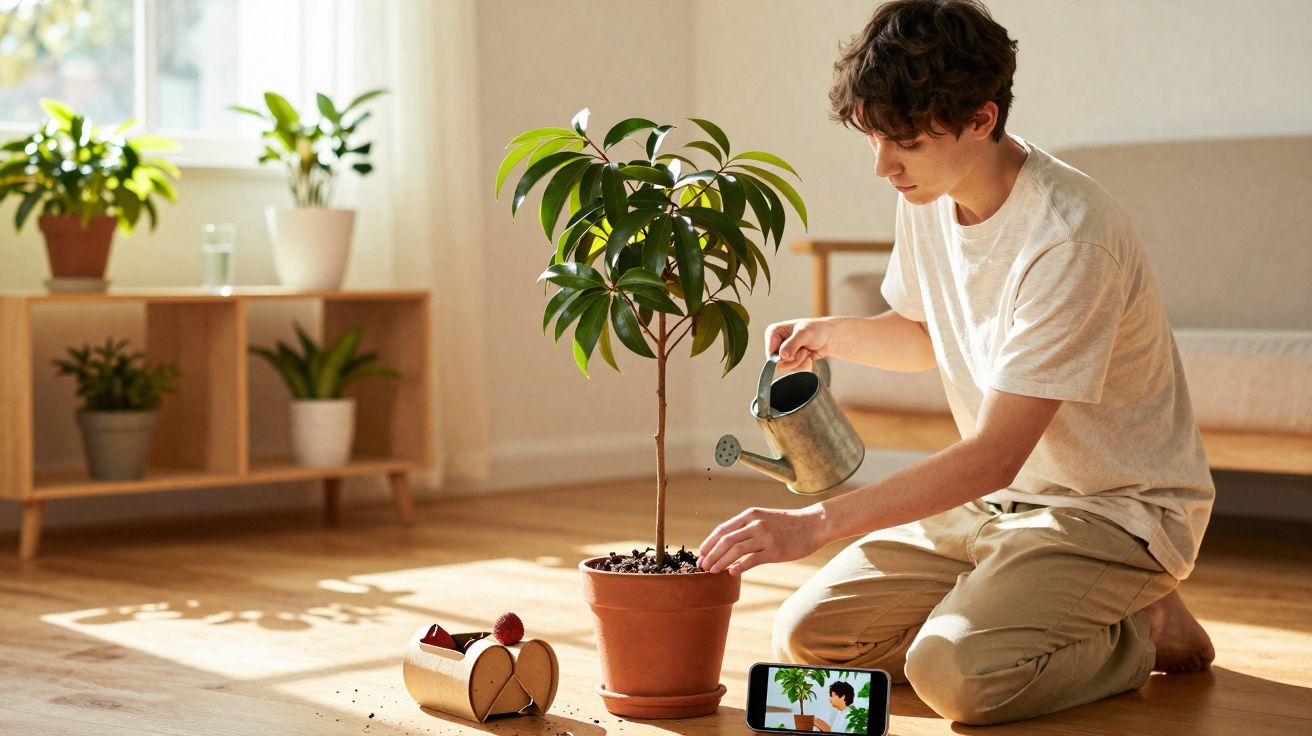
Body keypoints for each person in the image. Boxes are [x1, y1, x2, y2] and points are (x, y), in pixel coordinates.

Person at [697, 0, 1216, 726]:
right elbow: (926, 333)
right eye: (875, 138)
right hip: (1001, 507)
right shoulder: (927, 193)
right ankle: (1014, 605)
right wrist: (832, 334)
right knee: (808, 637)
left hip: (1113, 511)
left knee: (955, 677)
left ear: (981, 118)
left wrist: (814, 523)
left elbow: (995, 455)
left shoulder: (1070, 238)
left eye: (904, 142)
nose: (883, 166)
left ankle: (1143, 626)